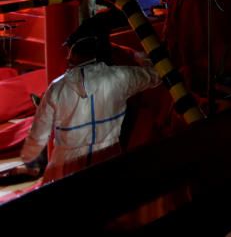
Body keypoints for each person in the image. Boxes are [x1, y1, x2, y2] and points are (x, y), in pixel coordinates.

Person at [18, 30, 161, 183]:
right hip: (107, 155)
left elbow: (40, 130)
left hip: (67, 160)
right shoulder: (121, 77)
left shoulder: (57, 87)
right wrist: (138, 56)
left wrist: (30, 157)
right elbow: (156, 75)